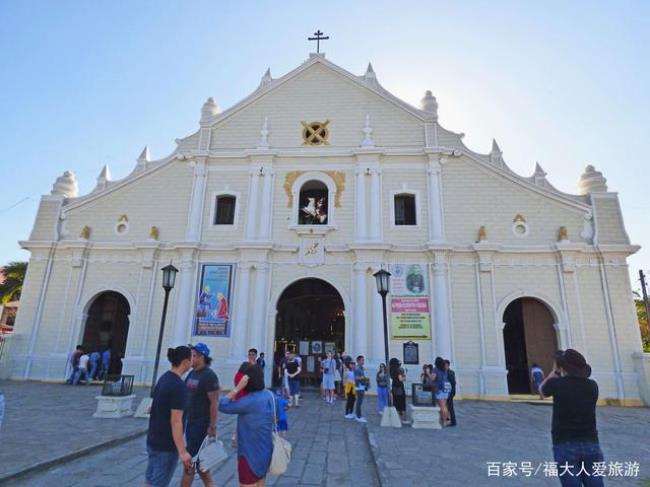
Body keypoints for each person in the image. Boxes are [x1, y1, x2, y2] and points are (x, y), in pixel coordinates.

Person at [540, 349, 603, 487]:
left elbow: (542, 391)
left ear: (563, 367)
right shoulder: (593, 386)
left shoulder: (558, 384)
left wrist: (555, 371)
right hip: (591, 442)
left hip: (565, 443)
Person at [219, 364, 274, 487]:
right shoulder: (269, 396)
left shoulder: (248, 402)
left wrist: (237, 388)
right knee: (261, 482)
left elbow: (222, 404)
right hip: (265, 450)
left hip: (249, 455)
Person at [145, 346, 192, 487]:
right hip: (166, 446)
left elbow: (154, 406)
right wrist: (182, 451)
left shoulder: (164, 378)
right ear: (185, 362)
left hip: (153, 440)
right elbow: (176, 420)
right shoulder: (179, 386)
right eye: (190, 359)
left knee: (150, 481)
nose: (192, 362)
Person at [181, 343, 220, 487]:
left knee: (190, 462)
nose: (190, 358)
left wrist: (212, 426)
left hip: (201, 425)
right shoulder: (192, 374)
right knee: (201, 466)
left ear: (202, 357)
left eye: (193, 355)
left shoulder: (209, 376)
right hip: (191, 423)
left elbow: (214, 403)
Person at [434, 357, 451, 426]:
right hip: (445, 390)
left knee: (442, 406)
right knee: (445, 406)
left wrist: (428, 374)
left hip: (439, 390)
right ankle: (447, 419)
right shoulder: (444, 370)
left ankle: (444, 421)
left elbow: (433, 378)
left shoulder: (436, 370)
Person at [354, 355, 369, 423]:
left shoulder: (361, 368)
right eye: (362, 360)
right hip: (359, 387)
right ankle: (358, 416)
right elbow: (356, 378)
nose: (363, 361)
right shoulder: (357, 368)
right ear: (358, 361)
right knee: (359, 402)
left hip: (361, 386)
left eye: (363, 360)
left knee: (359, 402)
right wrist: (365, 378)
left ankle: (358, 415)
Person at [444, 360, 457, 426]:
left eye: (445, 365)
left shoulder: (450, 372)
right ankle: (447, 419)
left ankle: (453, 422)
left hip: (450, 392)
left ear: (448, 365)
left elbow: (453, 383)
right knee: (447, 407)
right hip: (447, 392)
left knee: (450, 407)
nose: (444, 366)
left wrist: (451, 393)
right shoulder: (445, 372)